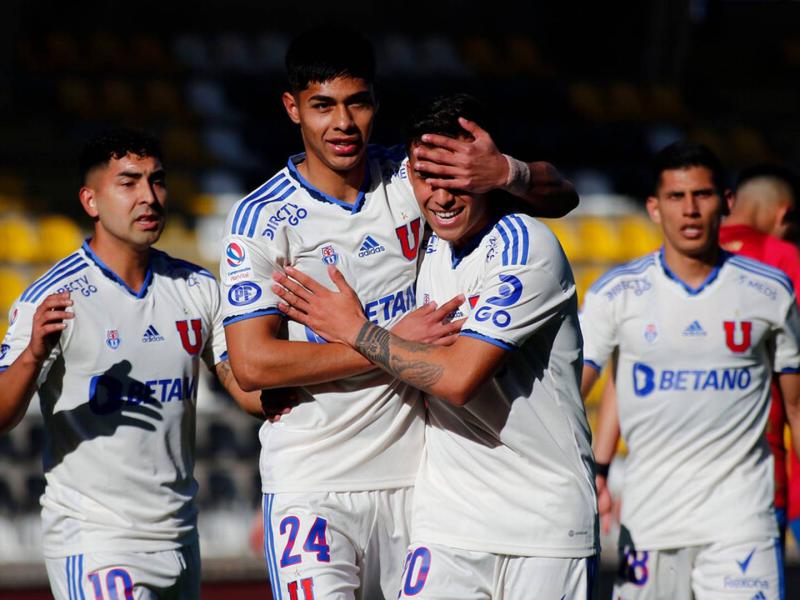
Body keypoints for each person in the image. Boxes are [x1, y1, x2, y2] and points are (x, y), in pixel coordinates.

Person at [220, 29, 579, 600]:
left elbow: (561, 197)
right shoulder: (261, 219)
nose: (342, 123)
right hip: (313, 483)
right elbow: (252, 364)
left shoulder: (411, 178)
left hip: (421, 485)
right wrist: (373, 340)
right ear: (292, 109)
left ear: (375, 104)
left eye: (356, 103)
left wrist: (506, 173)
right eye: (322, 106)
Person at [0, 128, 260, 599]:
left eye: (157, 181)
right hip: (98, 541)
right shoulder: (52, 300)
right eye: (129, 182)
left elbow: (248, 391)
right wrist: (34, 354)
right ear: (91, 200)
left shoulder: (196, 288)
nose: (149, 196)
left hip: (181, 537)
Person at [581, 141, 800, 599]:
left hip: (742, 520)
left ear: (727, 202)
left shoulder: (769, 291)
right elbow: (570, 396)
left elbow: (797, 407)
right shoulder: (617, 294)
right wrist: (593, 472)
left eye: (702, 195)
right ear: (654, 208)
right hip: (648, 521)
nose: (691, 210)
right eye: (676, 197)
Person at [720, 164, 800, 552]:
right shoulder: (785, 261)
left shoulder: (675, 257)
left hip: (677, 480)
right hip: (771, 473)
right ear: (783, 213)